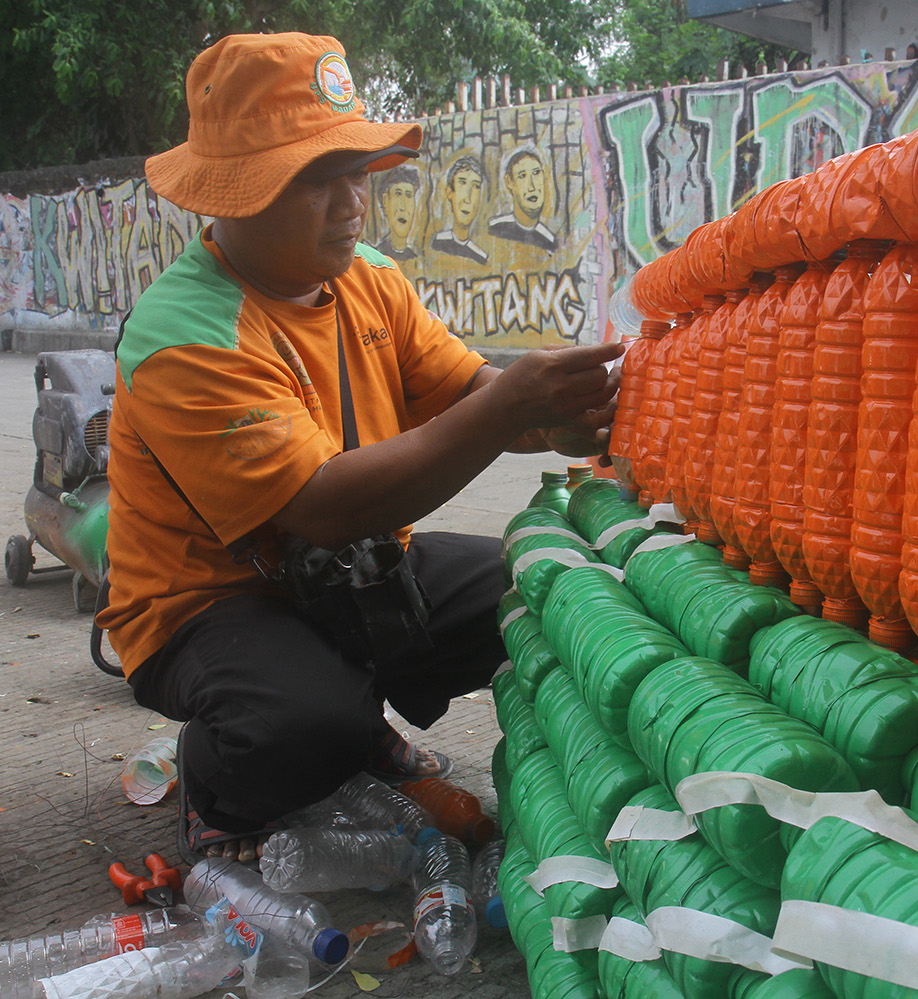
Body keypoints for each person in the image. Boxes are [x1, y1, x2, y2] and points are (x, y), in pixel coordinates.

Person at [99, 31, 622, 863]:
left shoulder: (370, 279)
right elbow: (324, 505)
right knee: (298, 725)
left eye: (357, 173)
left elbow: (471, 395)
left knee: (552, 590)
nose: (352, 202)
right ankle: (223, 780)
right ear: (233, 195)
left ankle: (355, 721)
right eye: (317, 179)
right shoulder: (184, 335)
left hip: (352, 576)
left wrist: (551, 417)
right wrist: (509, 407)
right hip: (211, 606)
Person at [488, 146, 558, 253]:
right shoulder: (494, 229)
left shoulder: (550, 242)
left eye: (536, 173)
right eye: (522, 176)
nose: (532, 186)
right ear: (509, 182)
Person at [430, 154, 491, 265]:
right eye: (462, 183)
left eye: (475, 186)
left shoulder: (481, 257)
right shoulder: (436, 243)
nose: (467, 199)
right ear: (449, 193)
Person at [374, 163, 421, 262]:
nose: (403, 207)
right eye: (398, 194)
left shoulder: (417, 258)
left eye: (409, 195)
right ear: (385, 201)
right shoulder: (376, 256)